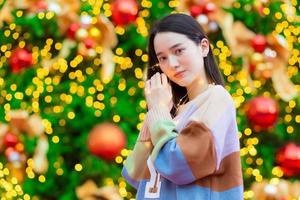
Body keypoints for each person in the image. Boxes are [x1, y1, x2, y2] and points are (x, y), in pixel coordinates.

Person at [122, 13, 243, 200]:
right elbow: (134, 174)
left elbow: (178, 164)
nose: (172, 64)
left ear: (203, 47)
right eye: (162, 58)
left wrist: (159, 111)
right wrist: (155, 112)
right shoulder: (170, 111)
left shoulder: (216, 98)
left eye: (178, 51)